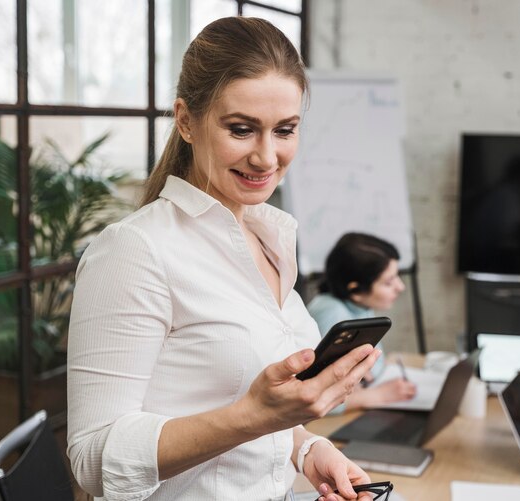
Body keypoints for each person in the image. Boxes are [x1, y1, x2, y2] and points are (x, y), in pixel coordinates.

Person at [66, 17, 381, 501]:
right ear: (186, 120)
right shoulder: (135, 251)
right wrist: (256, 417)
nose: (266, 157)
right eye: (241, 129)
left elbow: (234, 402)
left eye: (285, 130)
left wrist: (308, 449)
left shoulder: (268, 236)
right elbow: (92, 459)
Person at [307, 233, 416, 412]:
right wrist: (379, 396)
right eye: (389, 282)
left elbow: (373, 370)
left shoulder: (360, 304)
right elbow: (312, 397)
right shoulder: (332, 314)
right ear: (356, 289)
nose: (400, 287)